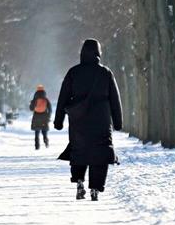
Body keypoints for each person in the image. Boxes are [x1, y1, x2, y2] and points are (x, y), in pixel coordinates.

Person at [53, 38, 123, 201]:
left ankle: (79, 181)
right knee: (100, 152)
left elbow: (63, 97)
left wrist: (59, 120)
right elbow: (115, 99)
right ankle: (95, 189)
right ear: (98, 53)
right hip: (101, 119)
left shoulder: (73, 72)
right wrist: (118, 122)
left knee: (79, 149)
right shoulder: (105, 73)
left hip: (79, 120)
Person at [29, 85, 52, 150]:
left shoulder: (35, 99)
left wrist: (31, 103)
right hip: (44, 116)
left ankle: (37, 146)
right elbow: (50, 109)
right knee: (44, 131)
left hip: (36, 116)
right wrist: (48, 116)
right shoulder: (46, 99)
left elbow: (31, 108)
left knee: (37, 132)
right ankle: (46, 141)